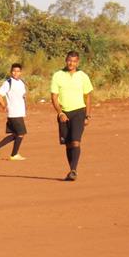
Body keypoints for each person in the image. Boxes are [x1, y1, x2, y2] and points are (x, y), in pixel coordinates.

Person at [51, 51, 93, 181]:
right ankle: (71, 170)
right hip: (64, 113)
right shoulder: (57, 75)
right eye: (69, 60)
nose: (71, 63)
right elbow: (54, 97)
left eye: (74, 61)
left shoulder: (83, 76)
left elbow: (88, 96)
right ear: (66, 60)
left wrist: (88, 116)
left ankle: (74, 170)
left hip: (79, 111)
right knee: (68, 143)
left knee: (75, 141)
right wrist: (60, 113)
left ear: (78, 62)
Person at [0, 63, 28, 161]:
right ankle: (14, 155)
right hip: (13, 112)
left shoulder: (21, 82)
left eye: (18, 71)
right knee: (21, 133)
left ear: (21, 72)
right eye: (14, 71)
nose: (15, 73)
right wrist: (3, 105)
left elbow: (22, 94)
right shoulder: (8, 82)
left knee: (17, 134)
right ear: (11, 72)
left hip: (19, 112)